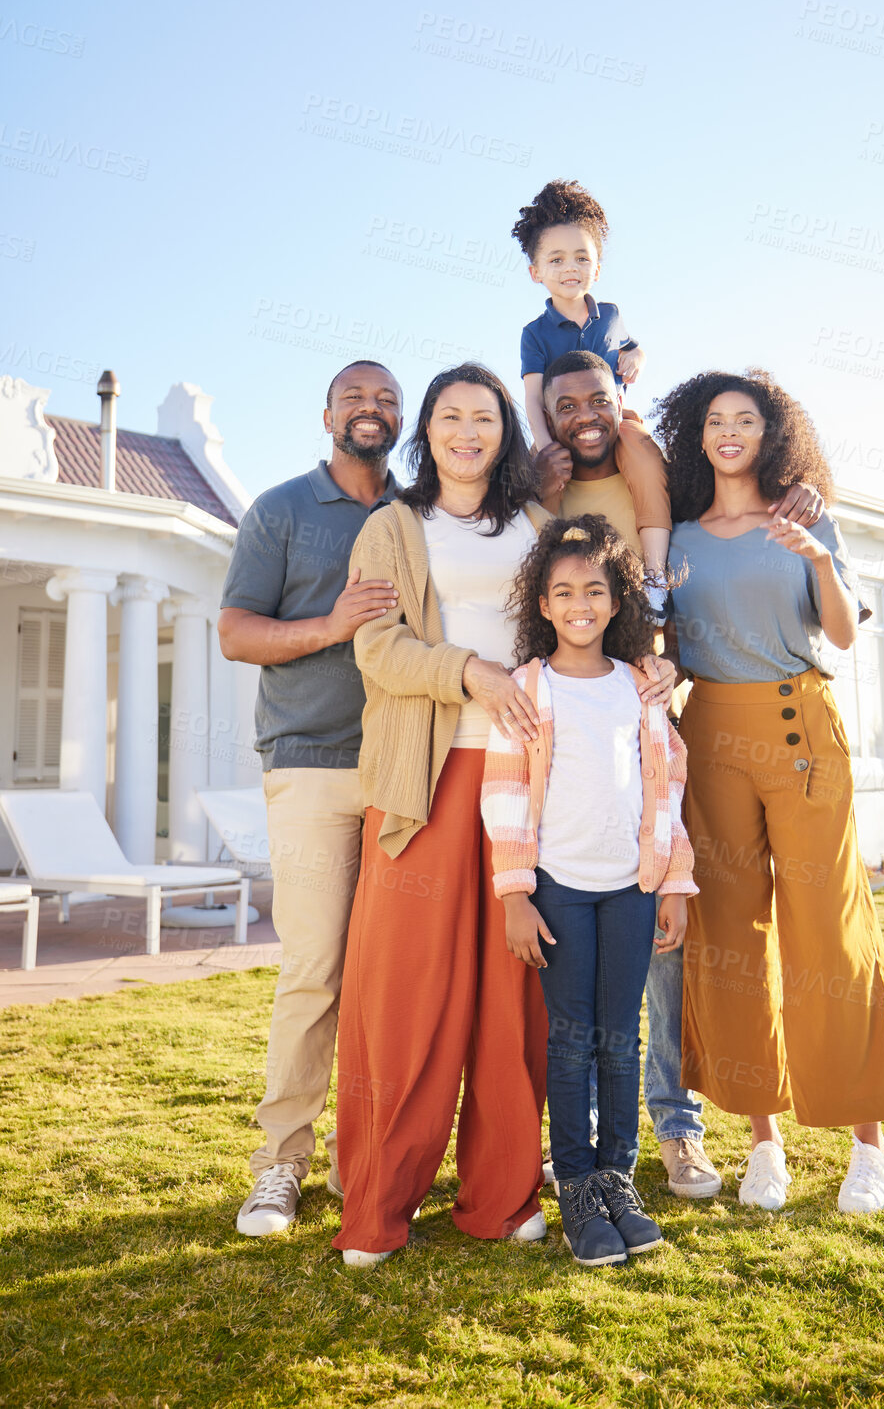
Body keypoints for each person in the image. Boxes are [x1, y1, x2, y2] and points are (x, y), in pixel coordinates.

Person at [331, 364, 677, 1266]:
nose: (467, 431)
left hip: (538, 788)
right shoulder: (394, 526)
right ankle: (377, 1206)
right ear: (427, 431)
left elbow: (585, 615)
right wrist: (470, 673)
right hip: (430, 778)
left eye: (483, 416)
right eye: (449, 416)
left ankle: (500, 1193)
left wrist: (649, 666)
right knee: (408, 997)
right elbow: (377, 647)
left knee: (514, 1002)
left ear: (504, 432)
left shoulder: (533, 523)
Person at [532, 349, 826, 1201]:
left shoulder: (655, 470)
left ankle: (675, 1127)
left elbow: (734, 525)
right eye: (564, 403)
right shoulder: (538, 479)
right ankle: (574, 1137)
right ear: (543, 412)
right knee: (570, 952)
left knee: (661, 941)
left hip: (648, 702)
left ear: (619, 398)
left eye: (597, 397)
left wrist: (807, 491)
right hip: (562, 707)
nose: (582, 413)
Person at [656, 368, 884, 1216]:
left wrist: (820, 559)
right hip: (710, 733)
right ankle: (764, 1140)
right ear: (698, 434)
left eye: (746, 420)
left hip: (800, 724)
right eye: (716, 420)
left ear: (771, 434)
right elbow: (676, 647)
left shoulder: (803, 516)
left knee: (827, 931)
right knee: (727, 934)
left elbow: (838, 632)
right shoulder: (678, 540)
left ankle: (868, 1143)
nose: (730, 431)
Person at [481, 515, 697, 1264]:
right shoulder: (526, 689)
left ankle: (617, 1177)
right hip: (560, 889)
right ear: (542, 603)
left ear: (614, 601)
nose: (579, 603)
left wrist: (675, 881)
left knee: (621, 1036)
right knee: (572, 1041)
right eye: (563, 591)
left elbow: (666, 788)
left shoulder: (639, 688)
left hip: (630, 888)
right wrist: (514, 893)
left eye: (594, 590)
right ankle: (574, 1182)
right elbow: (503, 793)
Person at [219, 361, 402, 1237]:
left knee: (388, 977)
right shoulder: (281, 510)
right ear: (326, 412)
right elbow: (235, 631)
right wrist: (329, 625)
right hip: (311, 767)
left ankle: (362, 1159)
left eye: (387, 399)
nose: (372, 409)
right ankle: (280, 1163)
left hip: (410, 773)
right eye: (356, 397)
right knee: (314, 970)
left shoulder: (418, 513)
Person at [512, 179, 671, 587]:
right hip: (557, 426)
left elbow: (635, 347)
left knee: (645, 456)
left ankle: (654, 576)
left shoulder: (612, 315)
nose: (571, 268)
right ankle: (543, 579)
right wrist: (546, 445)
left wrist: (637, 356)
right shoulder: (534, 333)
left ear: (597, 267)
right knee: (531, 484)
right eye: (557, 259)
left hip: (613, 421)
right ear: (536, 272)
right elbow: (533, 399)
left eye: (582, 258)